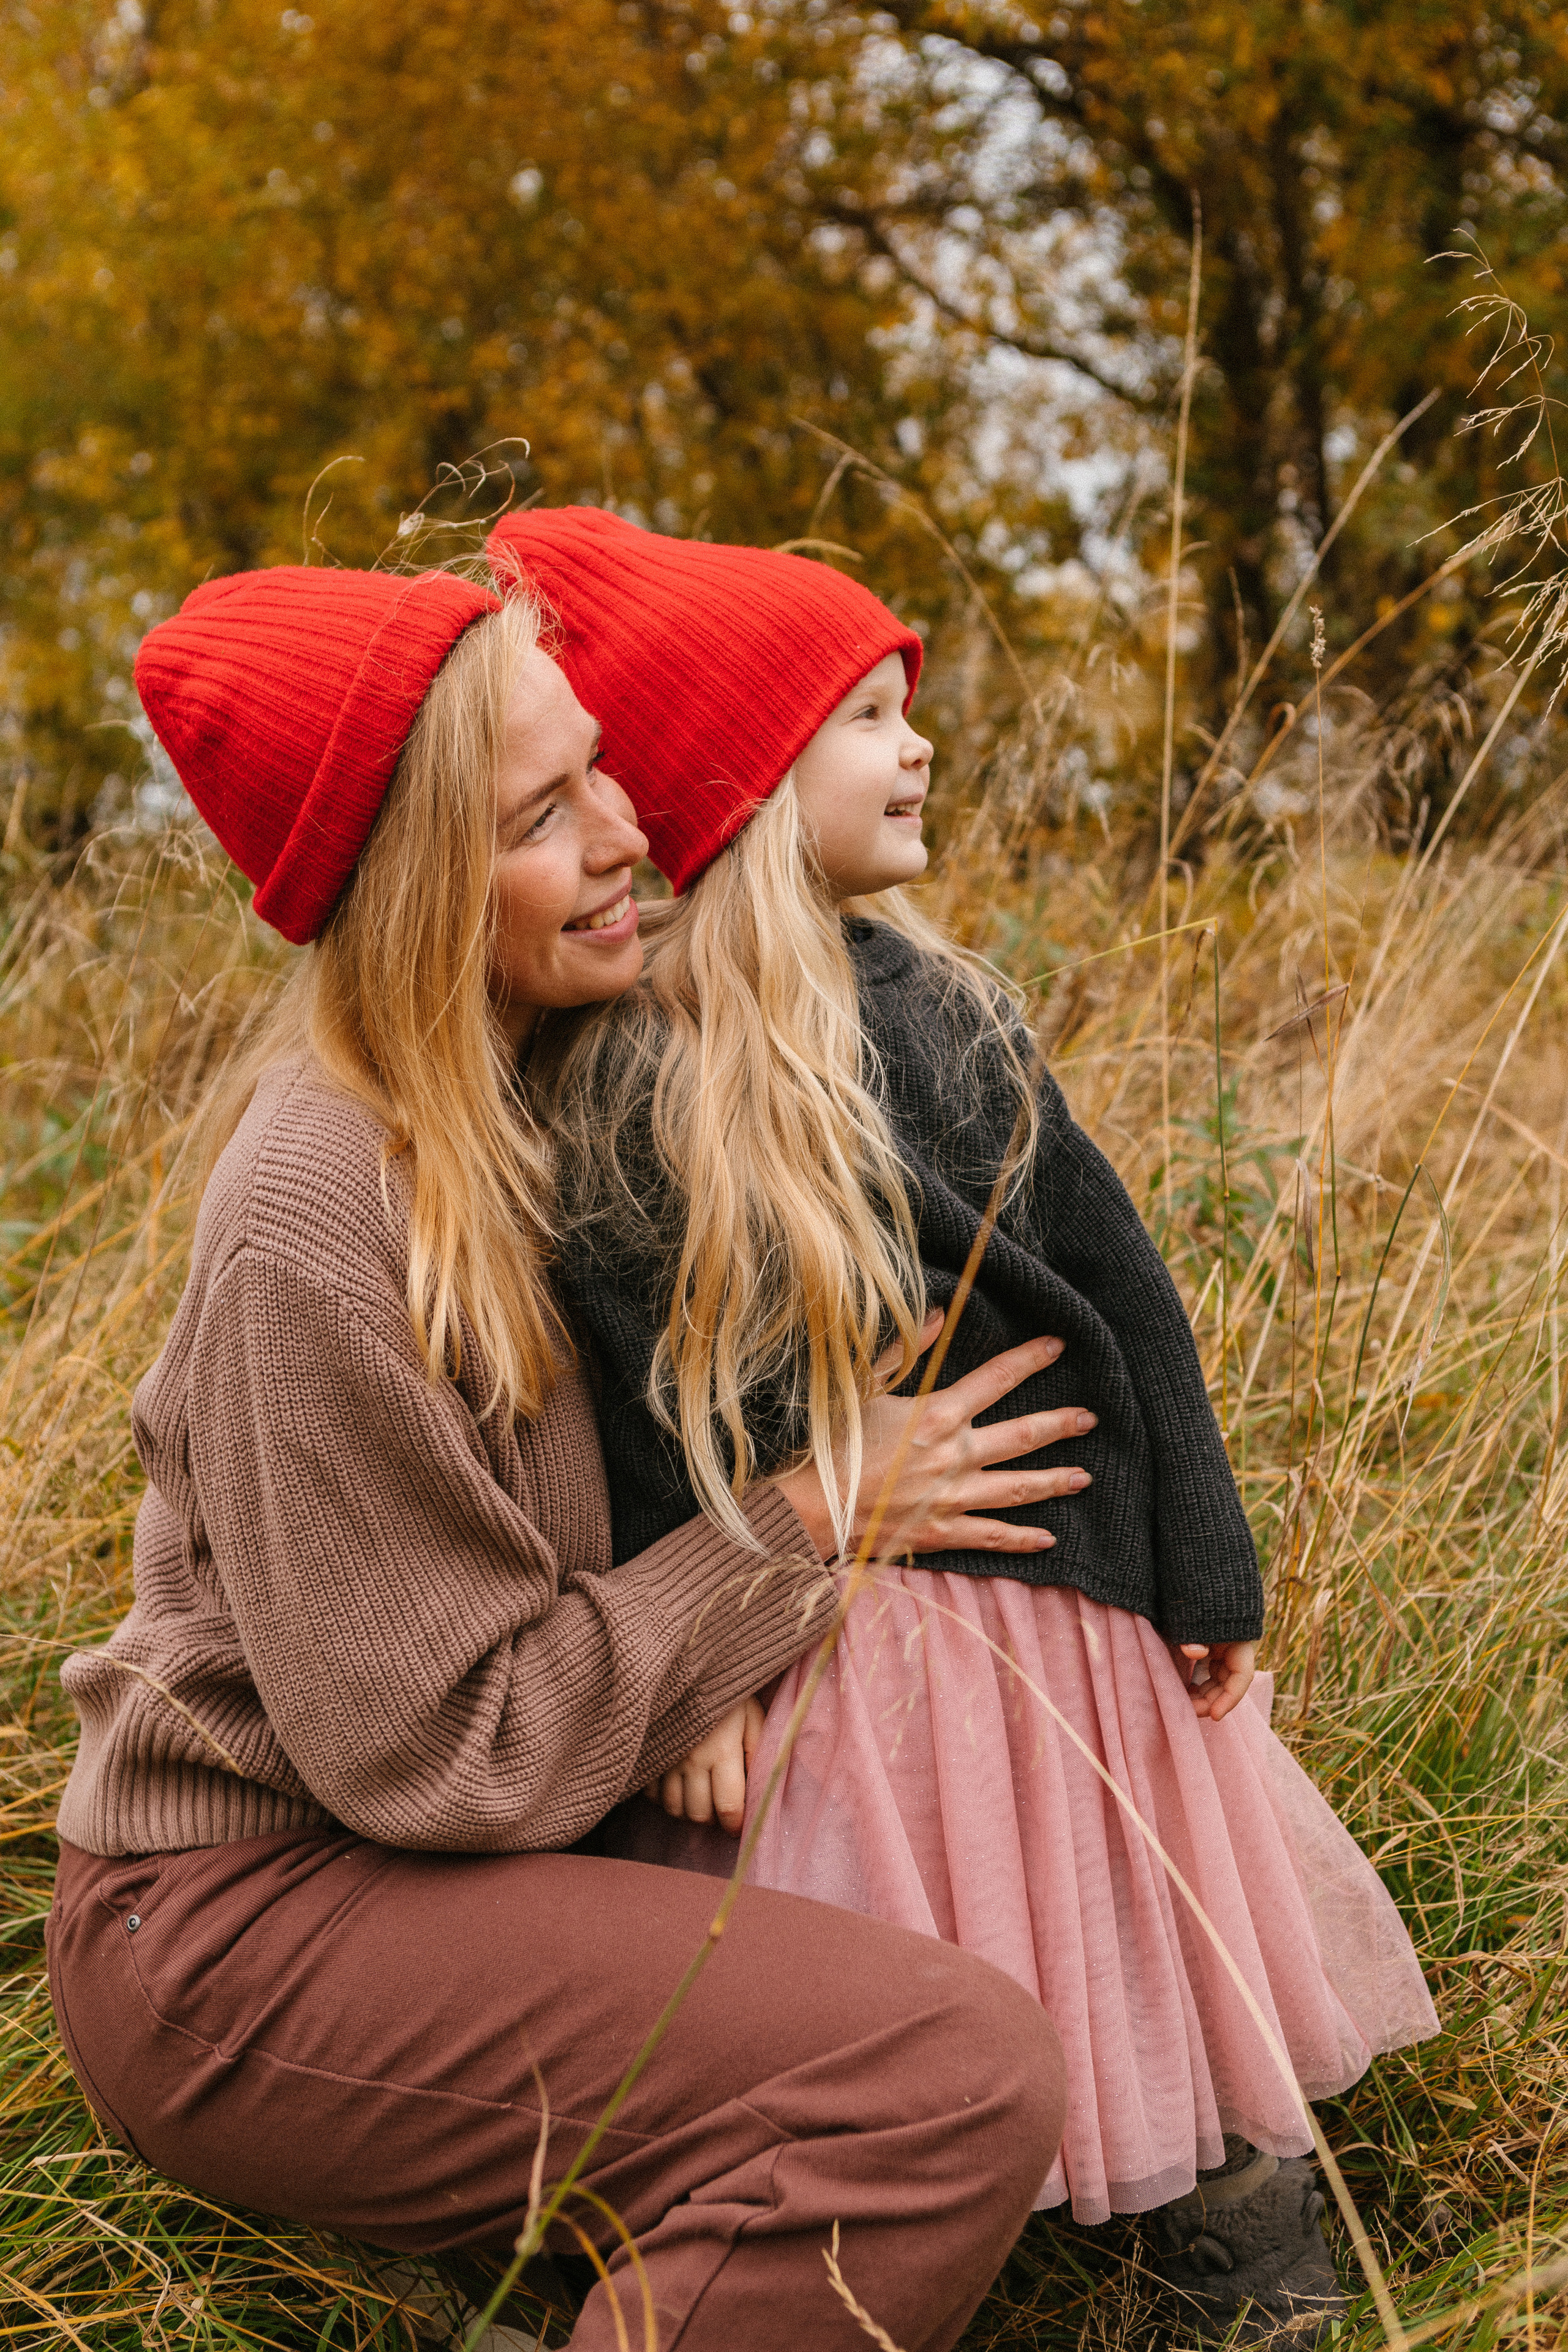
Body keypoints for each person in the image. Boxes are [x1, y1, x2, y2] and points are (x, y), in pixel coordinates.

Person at [45, 560, 1079, 2352]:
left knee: (970, 1895)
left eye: (599, 767)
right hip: (246, 1927)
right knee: (946, 2077)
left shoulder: (556, 1087)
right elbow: (442, 1750)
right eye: (539, 817)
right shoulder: (318, 1211)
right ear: (417, 889)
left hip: (461, 1850)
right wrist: (804, 1522)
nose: (626, 833)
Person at [487, 507, 1442, 2346]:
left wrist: (1200, 1557)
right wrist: (687, 1676)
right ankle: (875, 2234)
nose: (914, 743)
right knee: (880, 1938)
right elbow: (621, 1401)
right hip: (815, 1643)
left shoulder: (950, 1015)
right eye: (861, 714)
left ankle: (1228, 2238)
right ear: (744, 776)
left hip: (1047, 1602)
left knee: (1123, 1910)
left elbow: (1128, 1302)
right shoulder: (623, 1076)